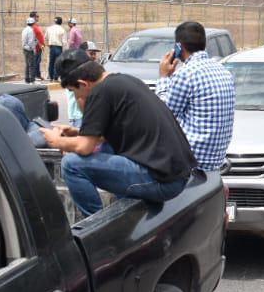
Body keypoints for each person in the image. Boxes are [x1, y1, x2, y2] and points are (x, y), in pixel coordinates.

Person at [46, 49, 196, 217]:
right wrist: (77, 132)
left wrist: (56, 141)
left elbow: (85, 147)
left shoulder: (99, 92)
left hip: (161, 180)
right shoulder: (124, 81)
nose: (76, 96)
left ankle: (96, 224)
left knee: (71, 164)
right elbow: (111, 134)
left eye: (74, 92)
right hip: (176, 175)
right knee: (106, 147)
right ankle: (125, 213)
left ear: (82, 83)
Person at [155, 21, 236, 172]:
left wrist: (164, 78)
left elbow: (165, 114)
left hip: (191, 160)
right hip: (216, 159)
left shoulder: (186, 73)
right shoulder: (223, 70)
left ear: (179, 47)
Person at [46, 16, 67, 81]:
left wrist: (48, 44)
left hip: (51, 47)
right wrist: (66, 50)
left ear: (54, 22)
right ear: (61, 22)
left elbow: (45, 38)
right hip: (58, 48)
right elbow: (64, 42)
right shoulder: (62, 30)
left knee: (51, 62)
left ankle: (51, 77)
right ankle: (55, 77)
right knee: (57, 63)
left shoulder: (49, 28)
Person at [22, 17, 40, 83]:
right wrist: (34, 48)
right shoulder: (31, 30)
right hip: (29, 49)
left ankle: (27, 79)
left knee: (27, 64)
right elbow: (31, 41)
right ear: (33, 23)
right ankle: (32, 80)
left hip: (24, 48)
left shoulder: (24, 29)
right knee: (31, 65)